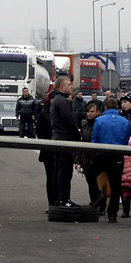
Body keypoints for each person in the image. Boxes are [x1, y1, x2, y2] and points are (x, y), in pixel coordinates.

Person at [91, 96, 130, 222]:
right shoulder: (124, 121)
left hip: (102, 155)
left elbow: (95, 138)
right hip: (117, 155)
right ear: (117, 107)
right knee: (116, 185)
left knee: (90, 175)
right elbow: (126, 139)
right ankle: (112, 213)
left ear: (105, 108)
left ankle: (98, 195)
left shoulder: (99, 120)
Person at [49, 76, 82, 208]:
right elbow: (69, 121)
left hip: (59, 139)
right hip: (64, 140)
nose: (71, 87)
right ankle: (64, 199)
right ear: (62, 87)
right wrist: (77, 136)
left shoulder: (57, 100)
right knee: (64, 171)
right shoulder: (62, 101)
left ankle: (58, 199)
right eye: (69, 85)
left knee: (59, 171)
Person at [77, 102, 104, 211]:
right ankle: (94, 202)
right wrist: (77, 160)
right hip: (86, 156)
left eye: (92, 111)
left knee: (98, 181)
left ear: (98, 112)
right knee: (90, 180)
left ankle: (101, 205)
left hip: (97, 156)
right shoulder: (84, 124)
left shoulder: (100, 123)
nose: (89, 114)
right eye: (88, 111)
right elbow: (81, 141)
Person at [37, 90, 57, 207]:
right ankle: (51, 202)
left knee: (59, 177)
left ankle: (60, 200)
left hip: (60, 149)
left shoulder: (63, 112)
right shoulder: (44, 114)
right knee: (50, 177)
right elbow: (39, 130)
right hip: (48, 150)